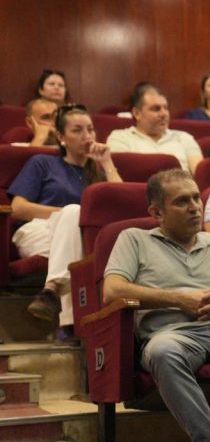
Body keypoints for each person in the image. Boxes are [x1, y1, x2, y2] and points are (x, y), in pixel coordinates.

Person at [103, 169, 210, 442]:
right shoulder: (134, 239)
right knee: (163, 352)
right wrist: (179, 299)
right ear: (157, 212)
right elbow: (112, 291)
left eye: (196, 198)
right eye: (182, 201)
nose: (195, 207)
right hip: (172, 334)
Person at [10, 104, 123, 327]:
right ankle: (71, 324)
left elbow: (121, 201)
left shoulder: (97, 172)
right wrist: (68, 214)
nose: (87, 136)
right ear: (61, 137)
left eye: (90, 129)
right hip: (37, 230)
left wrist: (107, 162)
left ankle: (52, 293)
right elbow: (18, 208)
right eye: (77, 130)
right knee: (73, 214)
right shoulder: (43, 162)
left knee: (75, 243)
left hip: (74, 238)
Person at [107, 83, 203, 173]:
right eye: (156, 109)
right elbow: (120, 176)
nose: (164, 114)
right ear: (137, 113)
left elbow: (199, 174)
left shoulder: (184, 138)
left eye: (165, 108)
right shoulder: (119, 138)